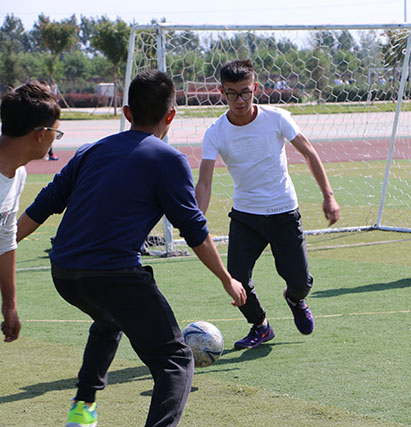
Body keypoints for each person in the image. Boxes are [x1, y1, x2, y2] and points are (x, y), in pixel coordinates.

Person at [17, 70, 246, 427]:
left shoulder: (88, 151)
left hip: (63, 273)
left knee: (110, 319)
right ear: (170, 115)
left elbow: (42, 206)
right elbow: (194, 231)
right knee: (175, 361)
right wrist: (226, 278)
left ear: (126, 113)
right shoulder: (168, 160)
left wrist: (4, 242)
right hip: (114, 275)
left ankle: (83, 407)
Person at [195, 59, 340, 350]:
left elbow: (310, 154)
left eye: (245, 92)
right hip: (246, 216)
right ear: (222, 92)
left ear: (256, 88)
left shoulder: (277, 118)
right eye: (232, 93)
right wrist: (196, 219)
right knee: (235, 280)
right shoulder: (215, 132)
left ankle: (295, 298)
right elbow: (205, 181)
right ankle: (260, 326)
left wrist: (329, 195)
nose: (240, 100)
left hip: (283, 212)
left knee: (300, 281)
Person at [1, 81, 61, 343]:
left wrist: (9, 305)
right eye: (55, 134)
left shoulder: (18, 173)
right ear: (40, 133)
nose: (54, 140)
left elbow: (6, 240)